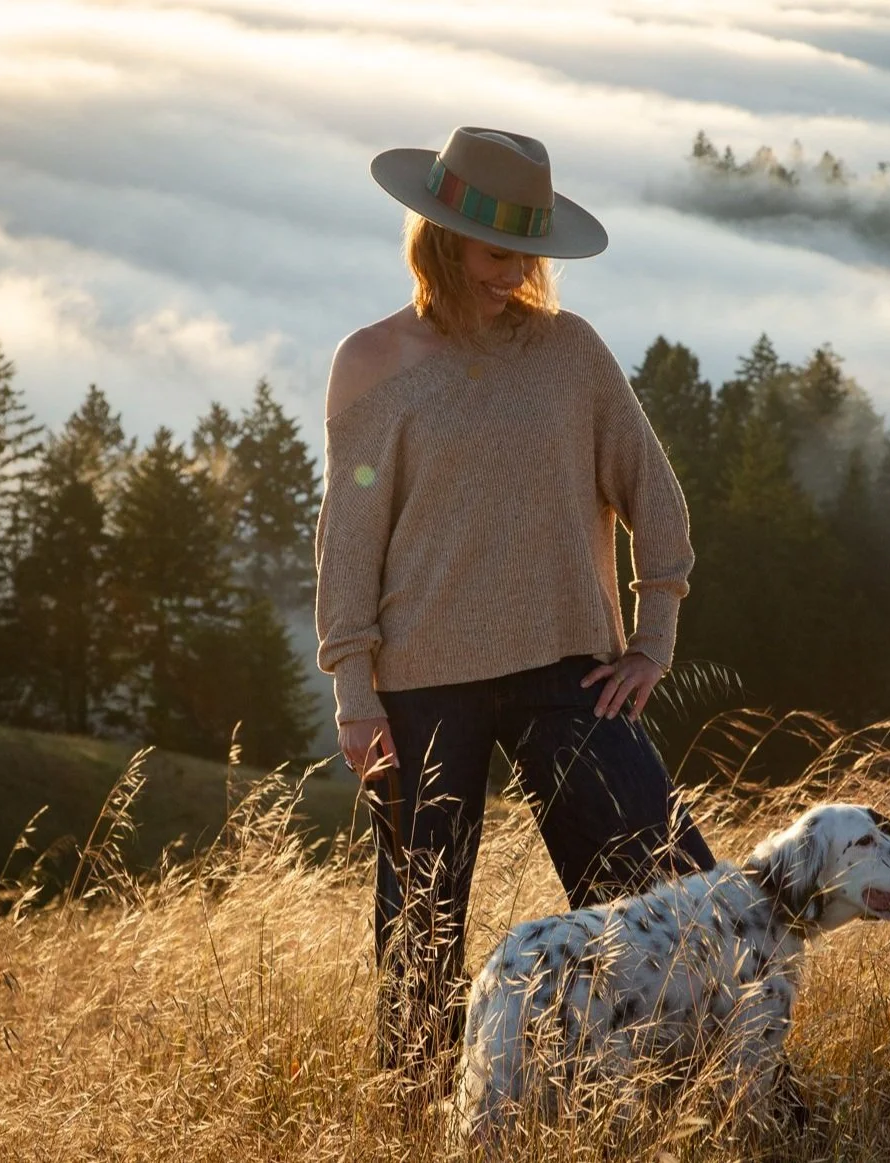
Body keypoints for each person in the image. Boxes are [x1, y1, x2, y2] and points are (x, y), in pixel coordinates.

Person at [313, 126, 717, 1094]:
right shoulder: (371, 361)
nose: (518, 274)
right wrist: (355, 691)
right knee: (421, 924)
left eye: (530, 255)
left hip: (566, 672)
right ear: (443, 237)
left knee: (661, 889)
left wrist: (653, 636)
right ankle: (416, 1112)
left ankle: (711, 1085)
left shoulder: (570, 352)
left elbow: (653, 497)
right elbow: (349, 534)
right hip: (420, 686)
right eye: (499, 253)